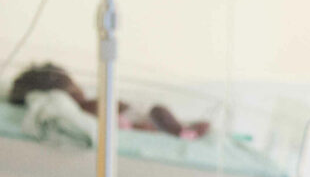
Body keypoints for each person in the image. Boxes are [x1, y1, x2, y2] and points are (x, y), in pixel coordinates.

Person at [8, 62, 211, 138]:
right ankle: (182, 131)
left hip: (138, 116)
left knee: (161, 114)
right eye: (72, 83)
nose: (78, 87)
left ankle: (182, 129)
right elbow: (114, 118)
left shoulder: (84, 106)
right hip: (140, 118)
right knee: (159, 112)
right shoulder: (83, 107)